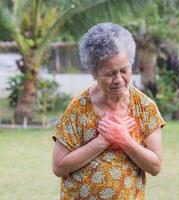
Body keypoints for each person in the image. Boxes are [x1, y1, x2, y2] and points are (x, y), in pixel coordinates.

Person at [52, 22, 165, 200]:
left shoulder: (145, 107)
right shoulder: (77, 109)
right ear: (94, 73)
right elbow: (59, 166)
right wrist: (102, 141)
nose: (119, 79)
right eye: (110, 73)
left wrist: (124, 139)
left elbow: (155, 167)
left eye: (124, 70)